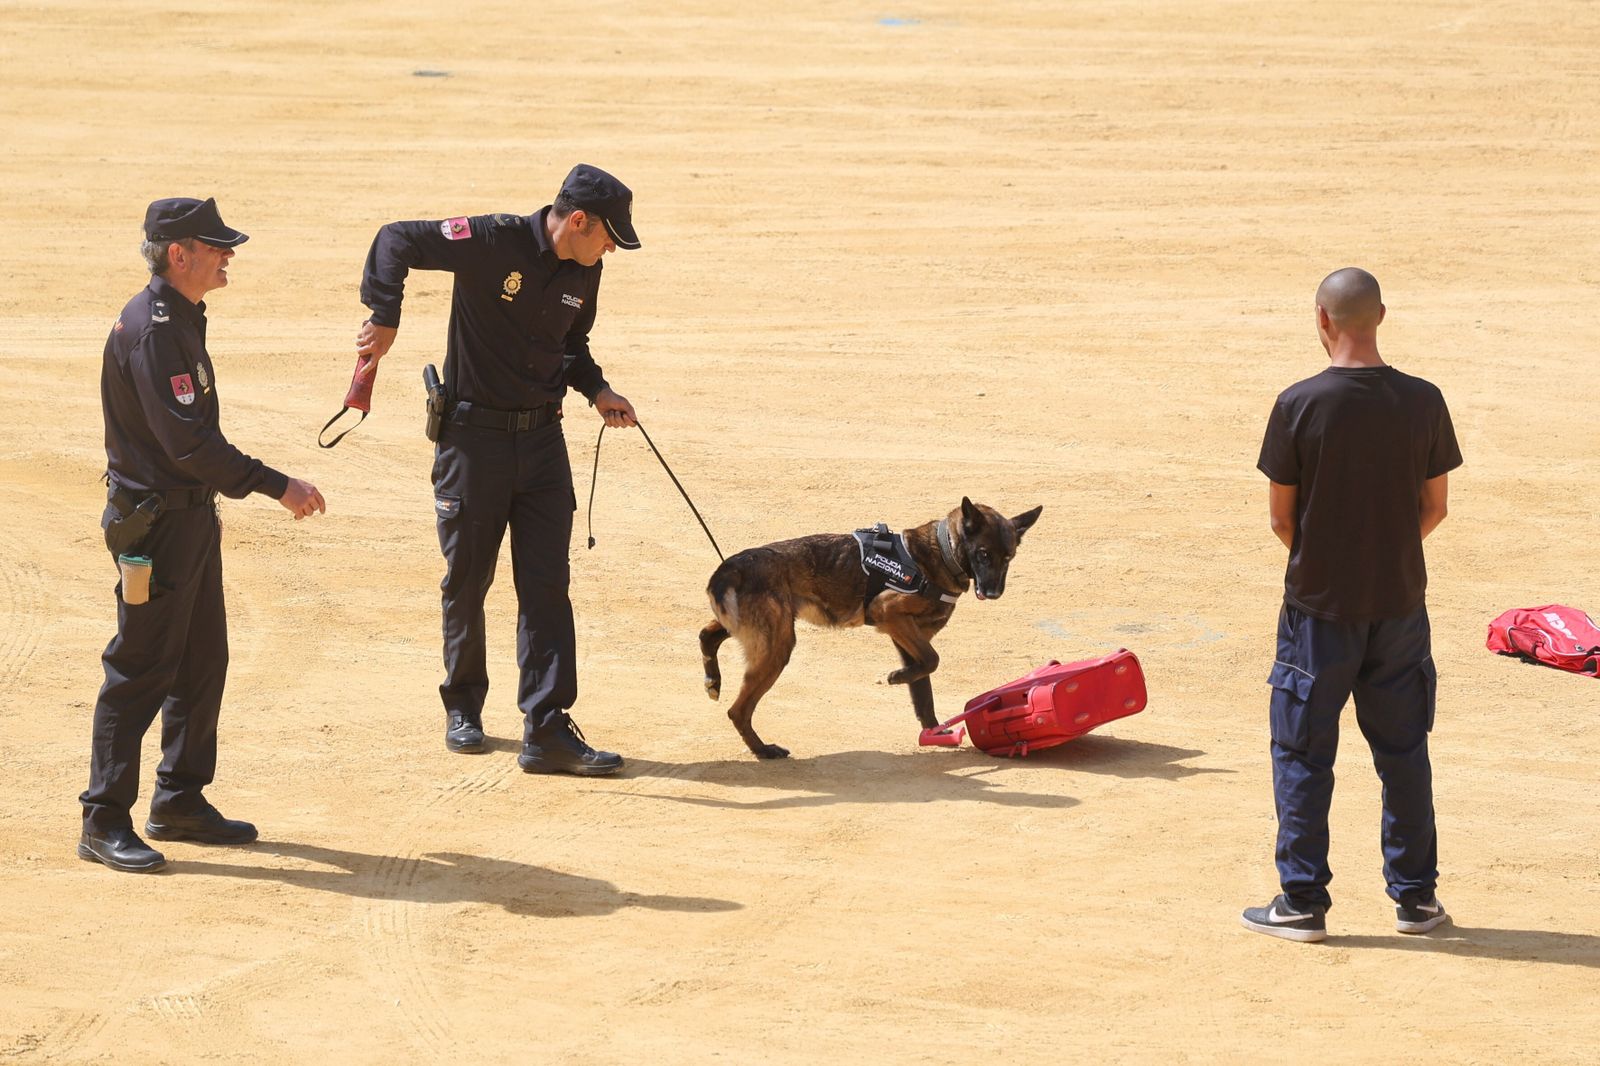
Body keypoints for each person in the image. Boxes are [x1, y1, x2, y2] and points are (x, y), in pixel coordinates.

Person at [353, 164, 641, 775]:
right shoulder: (491, 240)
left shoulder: (586, 272)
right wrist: (384, 313)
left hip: (542, 445)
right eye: (608, 235)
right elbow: (394, 239)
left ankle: (548, 729)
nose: (611, 247)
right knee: (468, 579)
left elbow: (571, 348)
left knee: (546, 586)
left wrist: (598, 390)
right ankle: (464, 705)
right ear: (578, 221)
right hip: (471, 444)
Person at [82, 197, 326, 874]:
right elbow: (190, 446)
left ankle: (179, 800)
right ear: (176, 253)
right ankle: (103, 818)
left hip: (186, 518)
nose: (227, 256)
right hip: (155, 526)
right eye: (215, 246)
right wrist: (279, 485)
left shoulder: (180, 317)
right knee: (139, 668)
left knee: (199, 661)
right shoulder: (156, 329)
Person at [1241, 267, 1462, 942]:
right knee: (1403, 752)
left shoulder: (1298, 404)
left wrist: (1329, 560)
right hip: (1399, 604)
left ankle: (1303, 903)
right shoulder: (1423, 400)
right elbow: (1434, 508)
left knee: (1304, 753)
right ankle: (1416, 901)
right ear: (1382, 317)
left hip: (1318, 609)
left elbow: (1283, 521)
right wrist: (1385, 549)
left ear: (1321, 318)